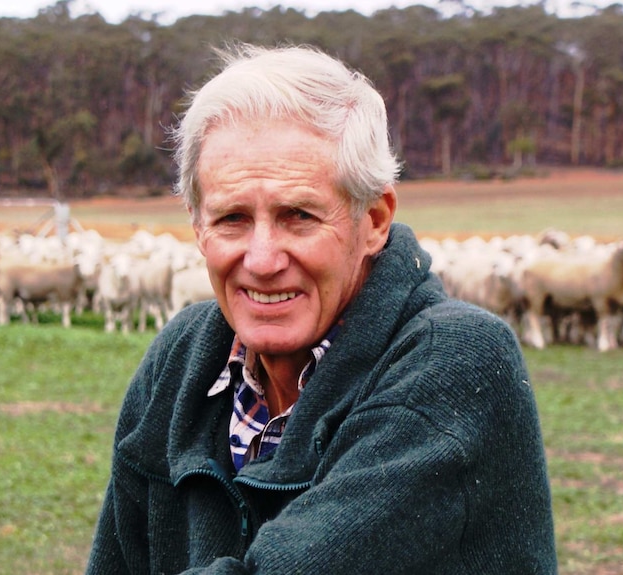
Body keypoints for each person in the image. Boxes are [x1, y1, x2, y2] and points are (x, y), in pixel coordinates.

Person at [86, 43, 557, 574]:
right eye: (232, 219)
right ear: (197, 227)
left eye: (299, 216)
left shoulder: (454, 363)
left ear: (374, 220)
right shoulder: (181, 361)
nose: (262, 260)